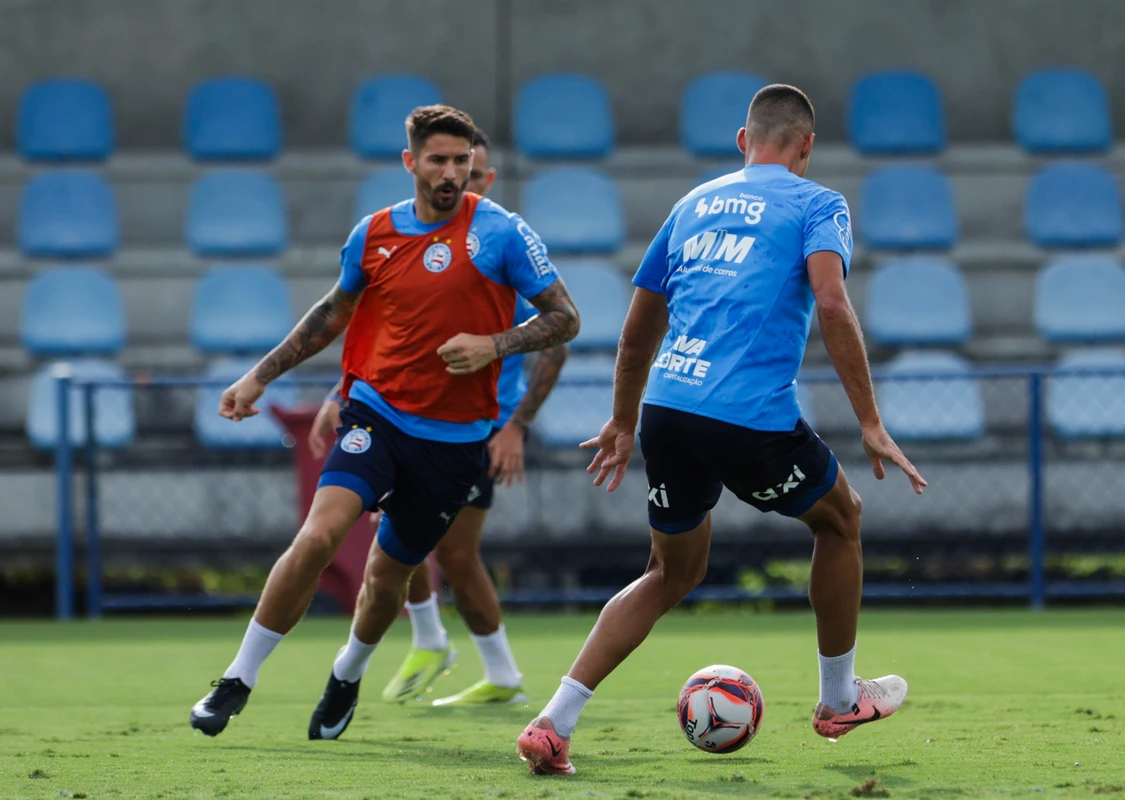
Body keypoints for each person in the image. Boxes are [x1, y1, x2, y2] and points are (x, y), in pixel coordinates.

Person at [515, 84, 927, 776]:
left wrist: (622, 420)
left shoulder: (691, 205)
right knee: (841, 521)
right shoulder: (818, 203)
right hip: (749, 416)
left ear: (744, 142)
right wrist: (871, 422)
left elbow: (637, 329)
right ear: (806, 146)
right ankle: (837, 701)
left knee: (669, 572)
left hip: (668, 408)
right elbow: (831, 301)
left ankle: (553, 724)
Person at [188, 105, 580, 741]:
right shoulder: (372, 234)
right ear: (411, 163)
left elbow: (566, 319)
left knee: (387, 578)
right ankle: (237, 679)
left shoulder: (504, 232)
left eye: (461, 161)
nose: (452, 172)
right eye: (439, 160)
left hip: (455, 443)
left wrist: (495, 344)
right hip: (377, 416)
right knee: (317, 537)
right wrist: (260, 376)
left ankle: (348, 670)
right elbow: (332, 312)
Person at [308, 130, 569, 708]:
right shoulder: (418, 234)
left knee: (450, 552)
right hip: (407, 415)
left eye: (468, 173)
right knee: (412, 540)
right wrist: (342, 390)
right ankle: (442, 644)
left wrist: (517, 425)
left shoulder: (503, 240)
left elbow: (555, 339)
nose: (455, 184)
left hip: (477, 426)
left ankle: (471, 659)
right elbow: (399, 336)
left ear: (486, 178)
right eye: (444, 168)